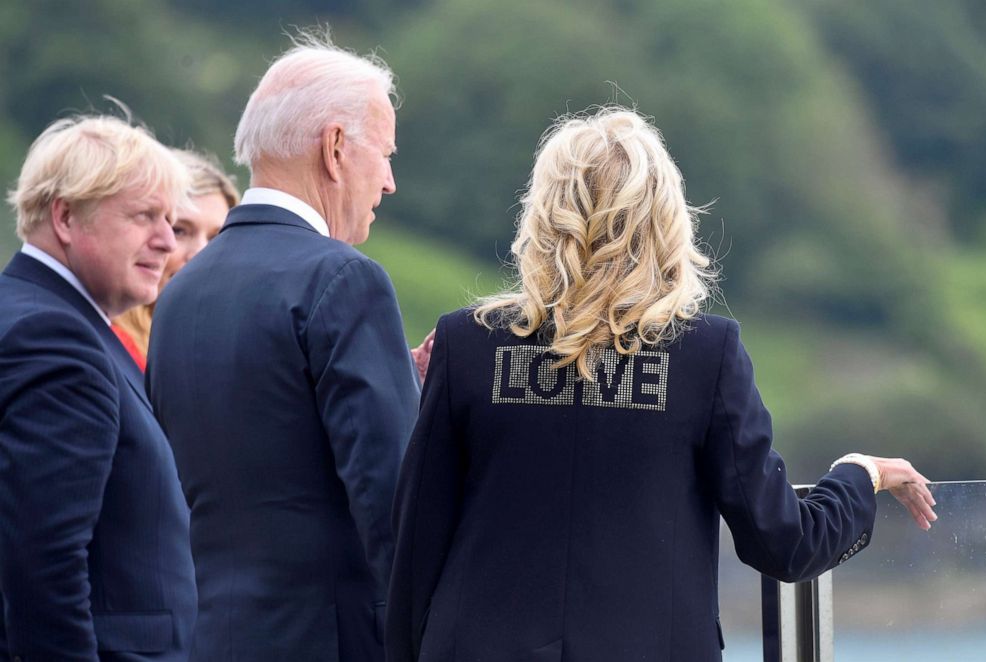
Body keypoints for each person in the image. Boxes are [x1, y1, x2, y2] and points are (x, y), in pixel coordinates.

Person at [385, 108, 938, 662]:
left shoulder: (466, 344)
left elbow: (413, 554)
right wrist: (861, 476)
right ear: (665, 220)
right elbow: (783, 542)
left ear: (543, 214)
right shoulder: (704, 355)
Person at [147, 32, 423, 661]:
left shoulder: (182, 292)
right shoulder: (344, 279)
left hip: (213, 640)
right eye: (384, 153)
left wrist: (399, 378)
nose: (389, 181)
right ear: (334, 147)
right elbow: (393, 505)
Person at [0, 115, 197, 660]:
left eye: (172, 222)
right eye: (144, 217)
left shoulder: (41, 317)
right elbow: (43, 564)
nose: (165, 242)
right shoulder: (55, 337)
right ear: (65, 216)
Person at [112, 148, 240, 369]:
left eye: (217, 237)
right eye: (179, 230)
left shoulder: (238, 345)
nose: (201, 254)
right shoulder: (109, 348)